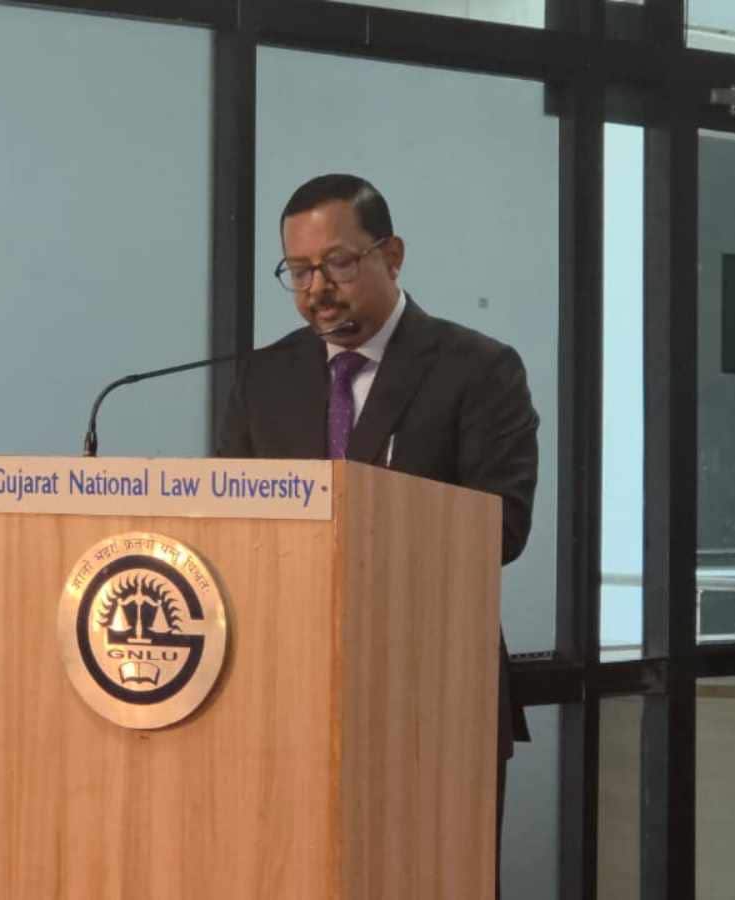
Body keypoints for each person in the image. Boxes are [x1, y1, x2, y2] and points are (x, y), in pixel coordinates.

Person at [215, 173, 539, 882]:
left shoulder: (478, 369)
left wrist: (374, 521)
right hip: (285, 696)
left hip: (435, 695)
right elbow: (230, 523)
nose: (317, 289)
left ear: (391, 255)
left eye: (337, 263)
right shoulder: (265, 376)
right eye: (298, 271)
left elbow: (503, 525)